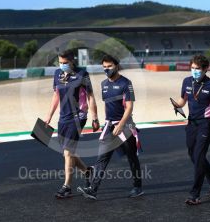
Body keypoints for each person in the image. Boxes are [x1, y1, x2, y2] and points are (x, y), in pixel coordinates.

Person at [77, 54, 144, 200]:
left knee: (132, 157)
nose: (107, 69)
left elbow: (129, 107)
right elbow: (109, 106)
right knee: (102, 158)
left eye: (110, 66)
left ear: (117, 66)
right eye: (104, 67)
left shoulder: (126, 83)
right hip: (109, 126)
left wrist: (121, 125)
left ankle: (137, 186)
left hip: (125, 125)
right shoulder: (103, 84)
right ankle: (93, 190)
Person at [173, 54, 210, 205]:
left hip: (206, 124)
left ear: (205, 69)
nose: (194, 71)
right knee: (192, 153)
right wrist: (177, 105)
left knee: (198, 156)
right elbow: (182, 100)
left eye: (197, 69)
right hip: (191, 123)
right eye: (192, 68)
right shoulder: (186, 81)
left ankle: (194, 195)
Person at [44, 49, 100, 199]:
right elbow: (56, 95)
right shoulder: (57, 74)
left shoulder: (83, 74)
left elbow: (91, 97)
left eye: (65, 63)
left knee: (68, 152)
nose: (62, 65)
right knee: (67, 153)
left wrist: (95, 117)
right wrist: (49, 115)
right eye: (60, 63)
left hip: (78, 117)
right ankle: (87, 171)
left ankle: (67, 186)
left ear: (72, 61)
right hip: (63, 117)